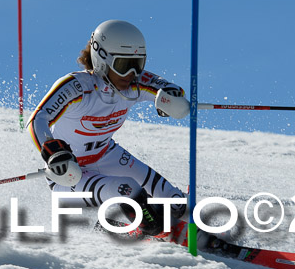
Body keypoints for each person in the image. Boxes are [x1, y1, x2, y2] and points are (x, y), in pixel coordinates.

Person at [26, 19, 191, 235]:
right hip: (70, 174)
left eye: (138, 64)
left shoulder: (134, 83)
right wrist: (53, 153)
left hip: (107, 155)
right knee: (129, 191)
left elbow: (165, 87)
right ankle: (143, 230)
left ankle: (205, 235)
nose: (132, 74)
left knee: (177, 203)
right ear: (101, 59)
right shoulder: (77, 87)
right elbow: (38, 118)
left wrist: (174, 98)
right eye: (123, 65)